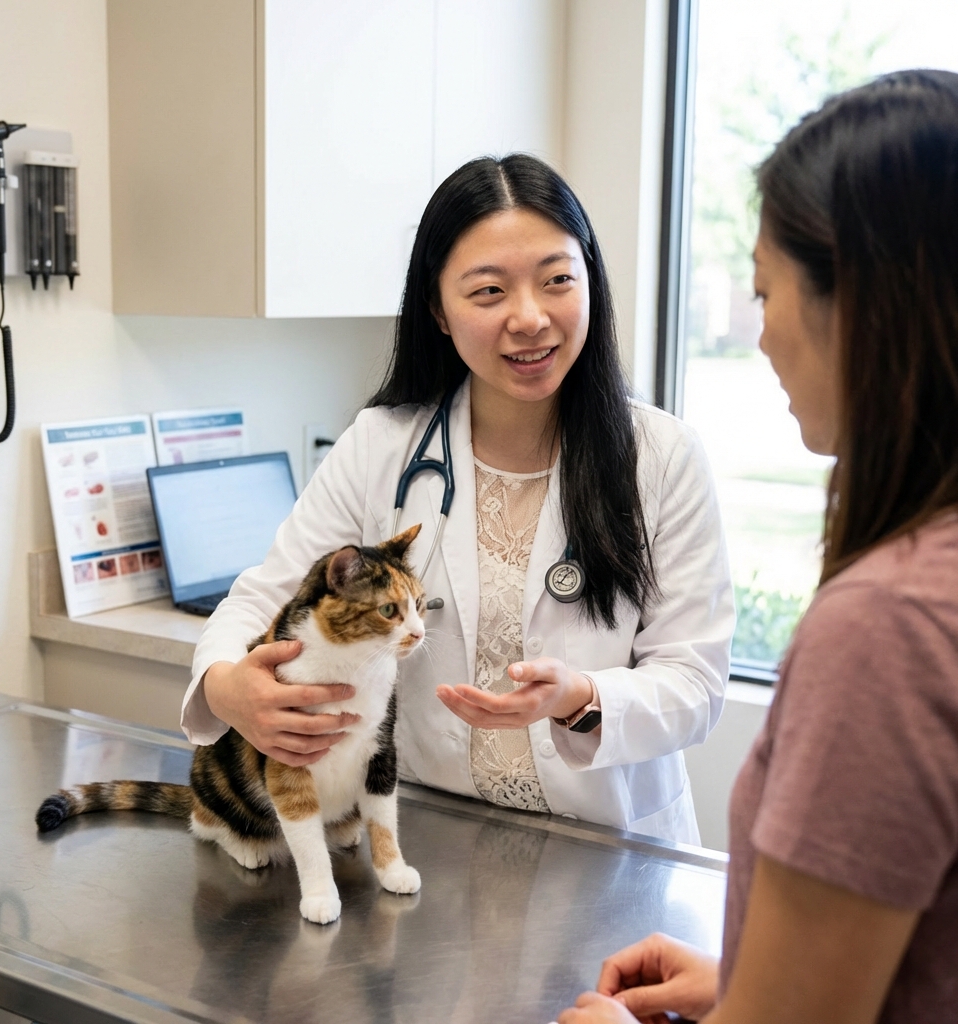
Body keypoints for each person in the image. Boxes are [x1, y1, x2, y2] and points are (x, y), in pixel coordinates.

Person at [181, 154, 734, 843]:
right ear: (438, 311)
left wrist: (583, 699)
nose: (530, 318)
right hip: (432, 837)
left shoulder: (663, 457)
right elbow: (263, 599)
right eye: (489, 292)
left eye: (558, 279)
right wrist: (228, 687)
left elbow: (696, 682)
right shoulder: (381, 447)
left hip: (606, 854)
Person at [558, 69, 958, 1023]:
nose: (764, 334)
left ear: (862, 304)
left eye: (767, 292)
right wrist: (750, 983)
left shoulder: (890, 629)